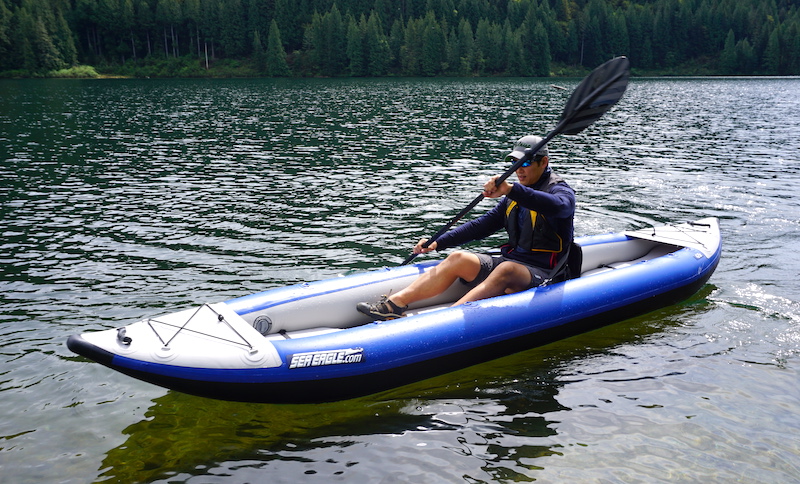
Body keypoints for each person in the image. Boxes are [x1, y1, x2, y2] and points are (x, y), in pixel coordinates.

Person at [357, 135, 576, 321]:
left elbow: (559, 208)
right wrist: (439, 242)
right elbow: (482, 226)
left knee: (506, 269)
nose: (518, 171)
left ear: (544, 162)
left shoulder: (559, 191)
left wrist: (510, 190)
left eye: (525, 164)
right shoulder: (515, 194)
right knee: (458, 258)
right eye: (514, 164)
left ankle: (448, 319)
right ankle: (394, 306)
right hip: (514, 263)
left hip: (546, 272)